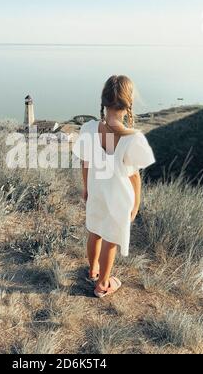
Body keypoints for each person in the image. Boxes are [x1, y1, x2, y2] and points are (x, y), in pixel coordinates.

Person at [73, 75, 156, 298]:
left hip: (96, 191)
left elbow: (85, 162)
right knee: (110, 239)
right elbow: (134, 177)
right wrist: (136, 204)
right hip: (118, 197)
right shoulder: (133, 138)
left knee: (94, 232)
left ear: (104, 101)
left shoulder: (89, 129)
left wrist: (86, 188)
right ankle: (102, 284)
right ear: (128, 103)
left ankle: (92, 271)